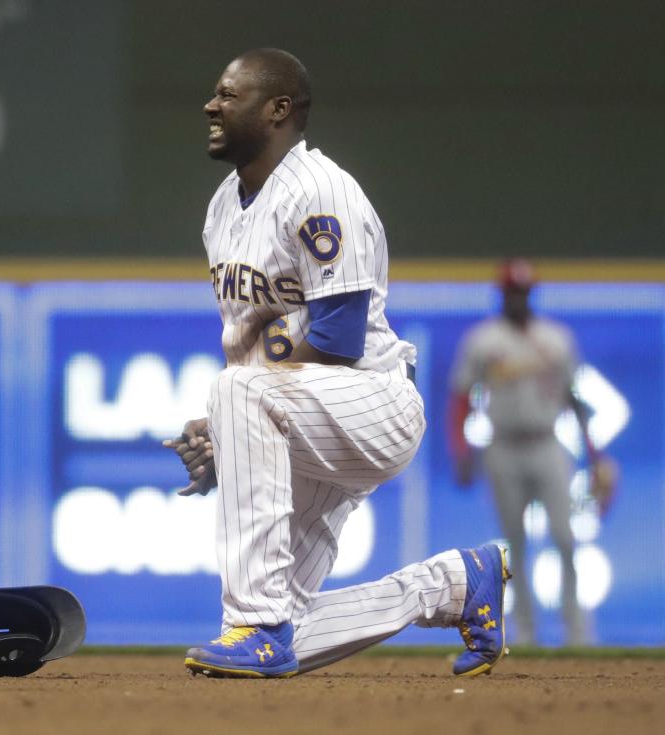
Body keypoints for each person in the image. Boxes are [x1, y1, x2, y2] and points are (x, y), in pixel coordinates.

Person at [163, 48, 510, 679]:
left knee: (238, 393)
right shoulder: (223, 207)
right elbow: (253, 351)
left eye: (227, 94)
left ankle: (261, 629)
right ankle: (454, 584)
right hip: (308, 416)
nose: (211, 105)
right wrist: (233, 437)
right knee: (283, 626)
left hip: (372, 402)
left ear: (278, 109)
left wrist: (230, 418)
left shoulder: (320, 189)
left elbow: (340, 333)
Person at [448, 259, 607, 646]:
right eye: (511, 292)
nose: (517, 298)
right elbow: (460, 397)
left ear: (530, 294)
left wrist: (595, 455)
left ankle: (577, 633)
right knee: (513, 542)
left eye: (523, 291)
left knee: (565, 538)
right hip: (503, 446)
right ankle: (526, 634)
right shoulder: (483, 340)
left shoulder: (555, 338)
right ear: (501, 295)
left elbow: (574, 397)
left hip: (547, 443)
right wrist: (461, 449)